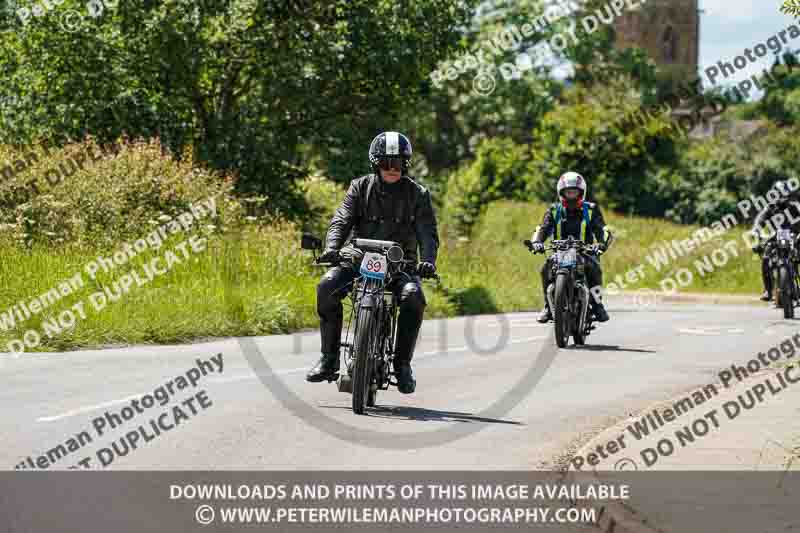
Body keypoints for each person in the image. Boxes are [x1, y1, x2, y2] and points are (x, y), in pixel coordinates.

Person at [306, 132, 439, 394]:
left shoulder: (418, 195)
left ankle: (402, 366)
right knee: (326, 286)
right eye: (386, 163)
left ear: (406, 165)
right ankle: (329, 359)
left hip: (400, 265)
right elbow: (341, 220)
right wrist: (332, 248)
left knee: (414, 298)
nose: (392, 169)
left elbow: (427, 232)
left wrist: (428, 261)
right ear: (374, 163)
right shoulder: (359, 187)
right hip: (359, 259)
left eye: (398, 163)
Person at [529, 172, 614, 324]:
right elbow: (543, 228)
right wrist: (537, 242)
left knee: (594, 268)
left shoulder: (591, 210)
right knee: (545, 269)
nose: (571, 196)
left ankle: (597, 305)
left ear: (581, 192)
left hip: (584, 252)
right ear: (561, 193)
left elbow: (603, 230)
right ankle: (548, 307)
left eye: (574, 192)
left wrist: (600, 244)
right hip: (559, 252)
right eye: (568, 192)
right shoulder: (554, 210)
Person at [750, 180, 800, 301]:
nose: (781, 196)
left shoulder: (794, 207)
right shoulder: (770, 208)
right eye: (778, 193)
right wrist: (756, 231)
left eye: (783, 193)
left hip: (794, 236)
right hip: (775, 237)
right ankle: (768, 290)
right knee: (766, 258)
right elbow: (759, 220)